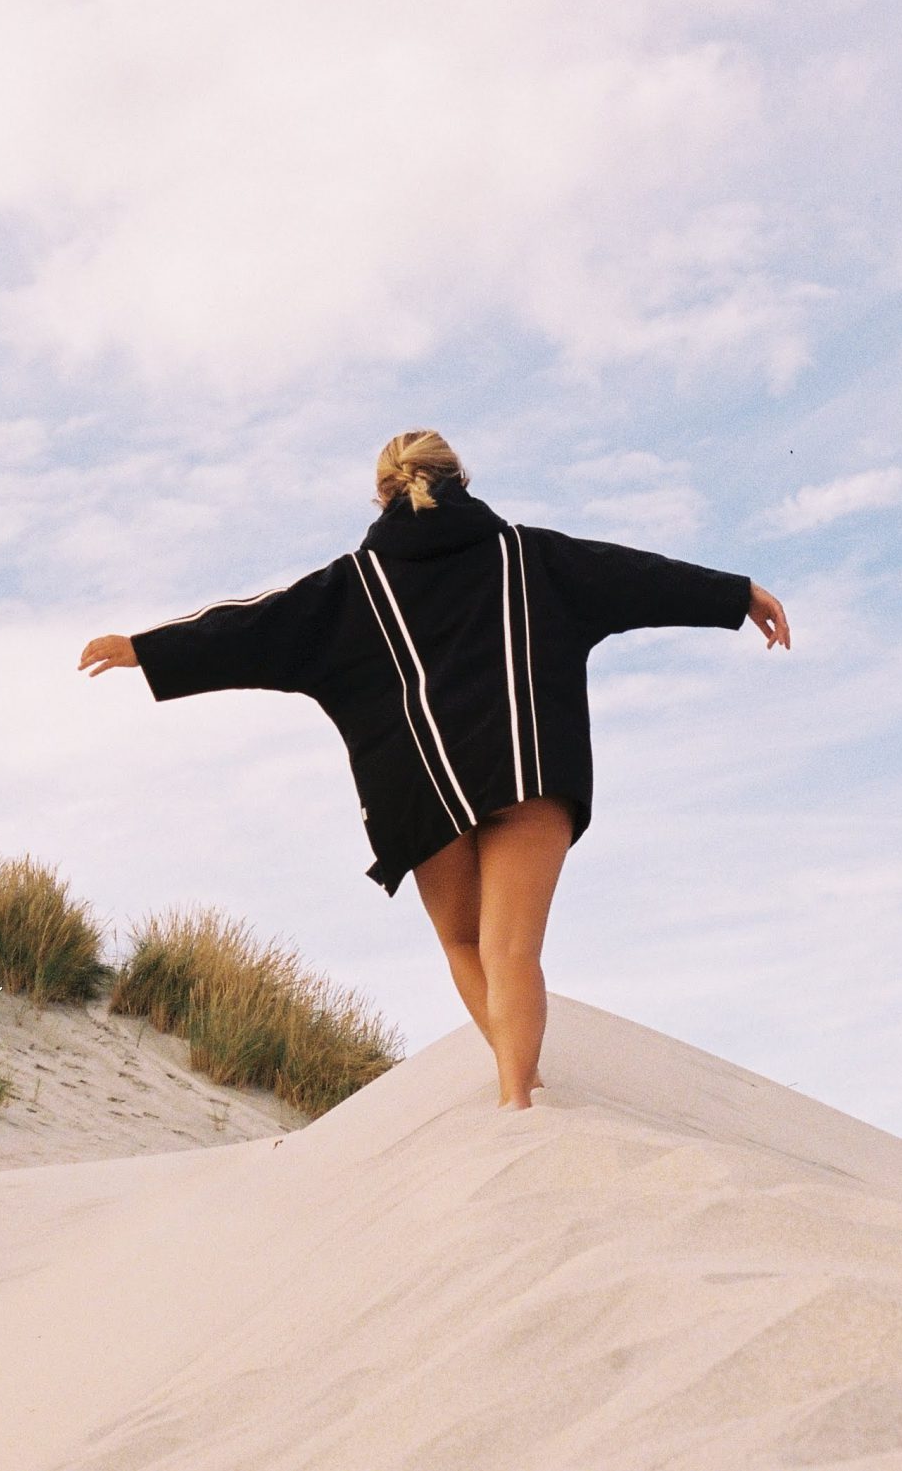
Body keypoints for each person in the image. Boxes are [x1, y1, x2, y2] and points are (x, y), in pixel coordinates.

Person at [79, 430, 791, 1110]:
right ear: (463, 480)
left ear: (380, 495)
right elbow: (643, 579)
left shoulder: (350, 588)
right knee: (512, 949)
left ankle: (522, 1084)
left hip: (423, 790)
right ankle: (520, 1096)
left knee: (464, 942)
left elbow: (250, 626)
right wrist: (739, 594)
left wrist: (146, 647)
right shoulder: (530, 556)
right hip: (529, 770)